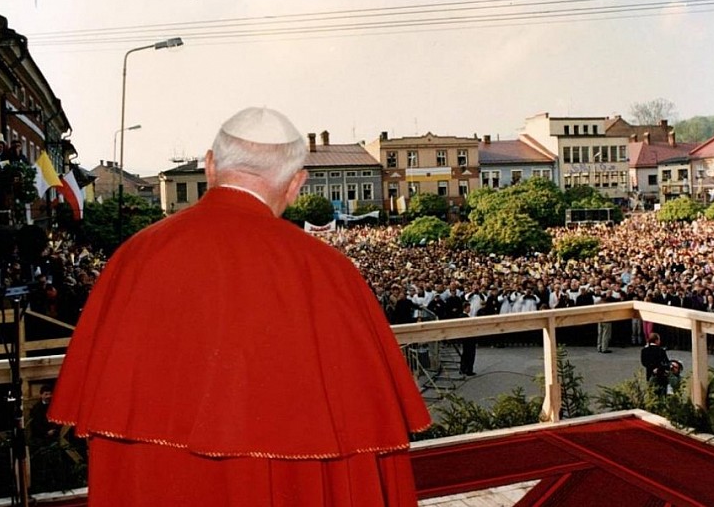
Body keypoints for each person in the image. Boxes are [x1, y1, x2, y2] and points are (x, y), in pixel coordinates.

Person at [48, 107, 431, 506]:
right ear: (297, 183)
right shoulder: (328, 270)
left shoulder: (135, 256)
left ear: (210, 165)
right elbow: (364, 441)